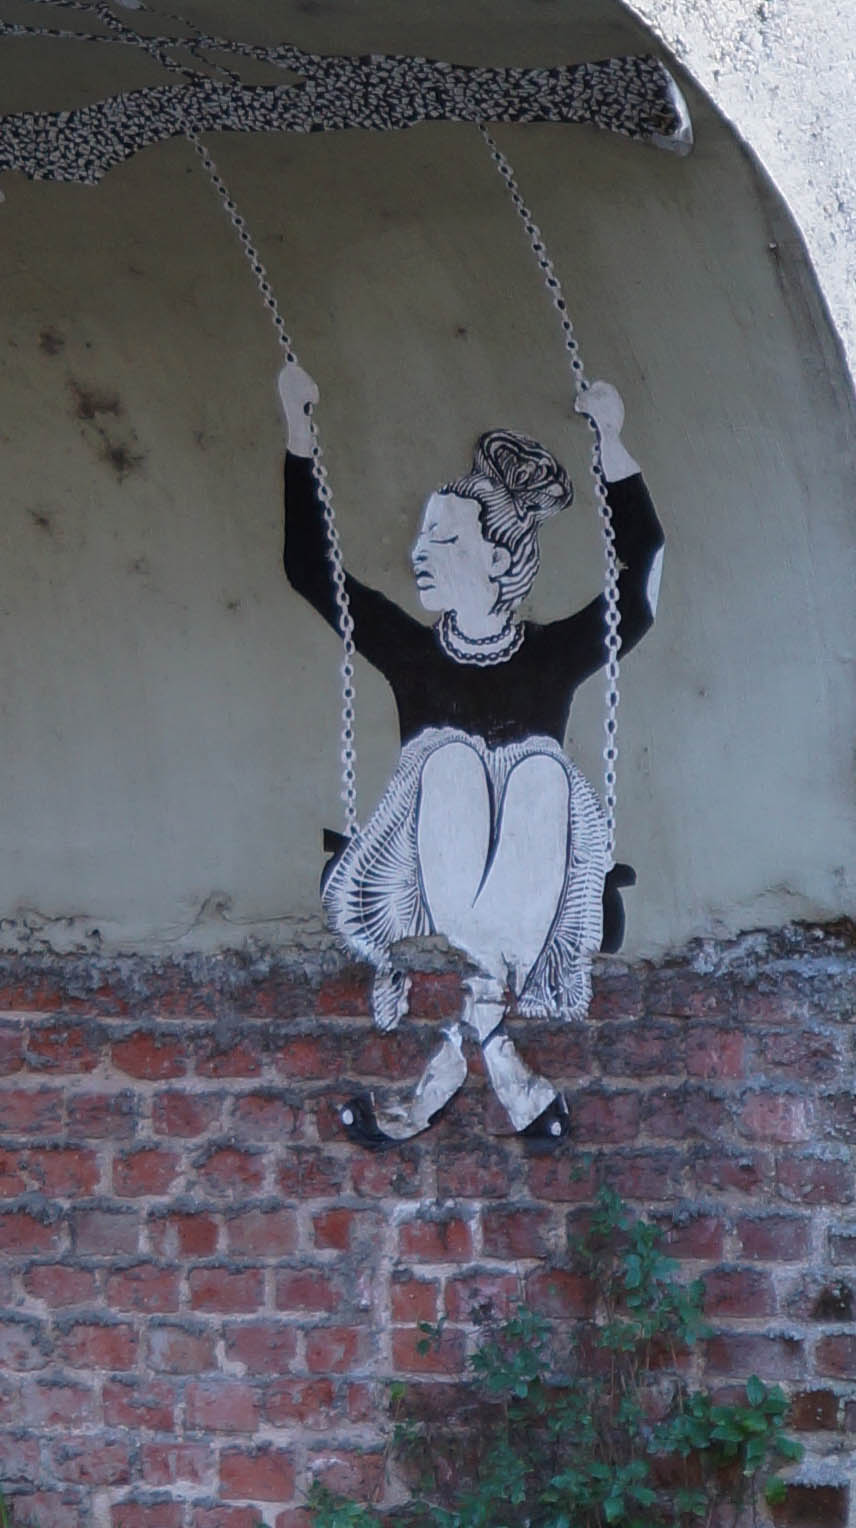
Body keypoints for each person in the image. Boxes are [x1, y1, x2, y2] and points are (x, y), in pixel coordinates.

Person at [280, 359, 663, 1143]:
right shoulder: (413, 654)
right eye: (423, 535)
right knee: (449, 759)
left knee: (539, 773)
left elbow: (644, 578)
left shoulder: (555, 655)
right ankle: (491, 1054)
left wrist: (614, 446)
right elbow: (310, 571)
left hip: (528, 890)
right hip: (429, 879)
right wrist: (296, 428)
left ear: (497, 558)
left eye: (442, 537)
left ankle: (448, 1071)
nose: (419, 550)